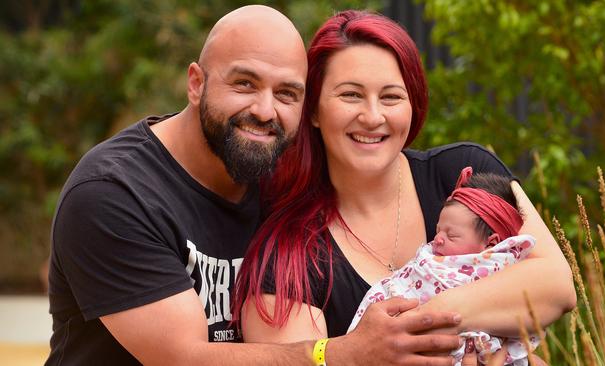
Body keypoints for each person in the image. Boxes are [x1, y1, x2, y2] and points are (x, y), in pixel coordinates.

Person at [46, 5, 463, 366]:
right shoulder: (114, 194)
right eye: (244, 84)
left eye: (286, 93)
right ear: (196, 83)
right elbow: (183, 358)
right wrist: (340, 353)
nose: (265, 110)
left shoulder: (280, 178)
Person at [236, 9, 576, 364]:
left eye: (391, 97)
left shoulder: (463, 172)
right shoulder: (289, 256)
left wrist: (433, 314)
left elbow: (555, 283)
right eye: (350, 95)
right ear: (315, 111)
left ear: (413, 105)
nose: (372, 116)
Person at [348, 167, 539, 365]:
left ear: (490, 243)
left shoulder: (508, 270)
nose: (437, 239)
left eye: (451, 235)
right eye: (438, 230)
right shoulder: (427, 262)